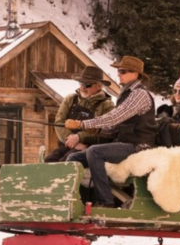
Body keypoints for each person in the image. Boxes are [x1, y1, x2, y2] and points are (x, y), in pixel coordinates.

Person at [64, 56, 156, 207]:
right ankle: (74, 201)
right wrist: (96, 129)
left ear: (136, 74)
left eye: (123, 71)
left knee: (94, 152)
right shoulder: (126, 93)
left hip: (139, 146)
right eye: (119, 71)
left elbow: (114, 117)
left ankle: (106, 202)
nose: (119, 74)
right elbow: (116, 127)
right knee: (74, 157)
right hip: (125, 143)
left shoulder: (139, 94)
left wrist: (82, 124)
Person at [44, 66, 115, 162]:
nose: (83, 87)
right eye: (81, 83)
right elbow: (59, 123)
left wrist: (79, 137)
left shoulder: (107, 106)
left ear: (99, 86)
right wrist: (72, 142)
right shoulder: (70, 99)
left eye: (87, 84)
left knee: (67, 162)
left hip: (89, 149)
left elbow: (104, 132)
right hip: (67, 145)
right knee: (49, 160)